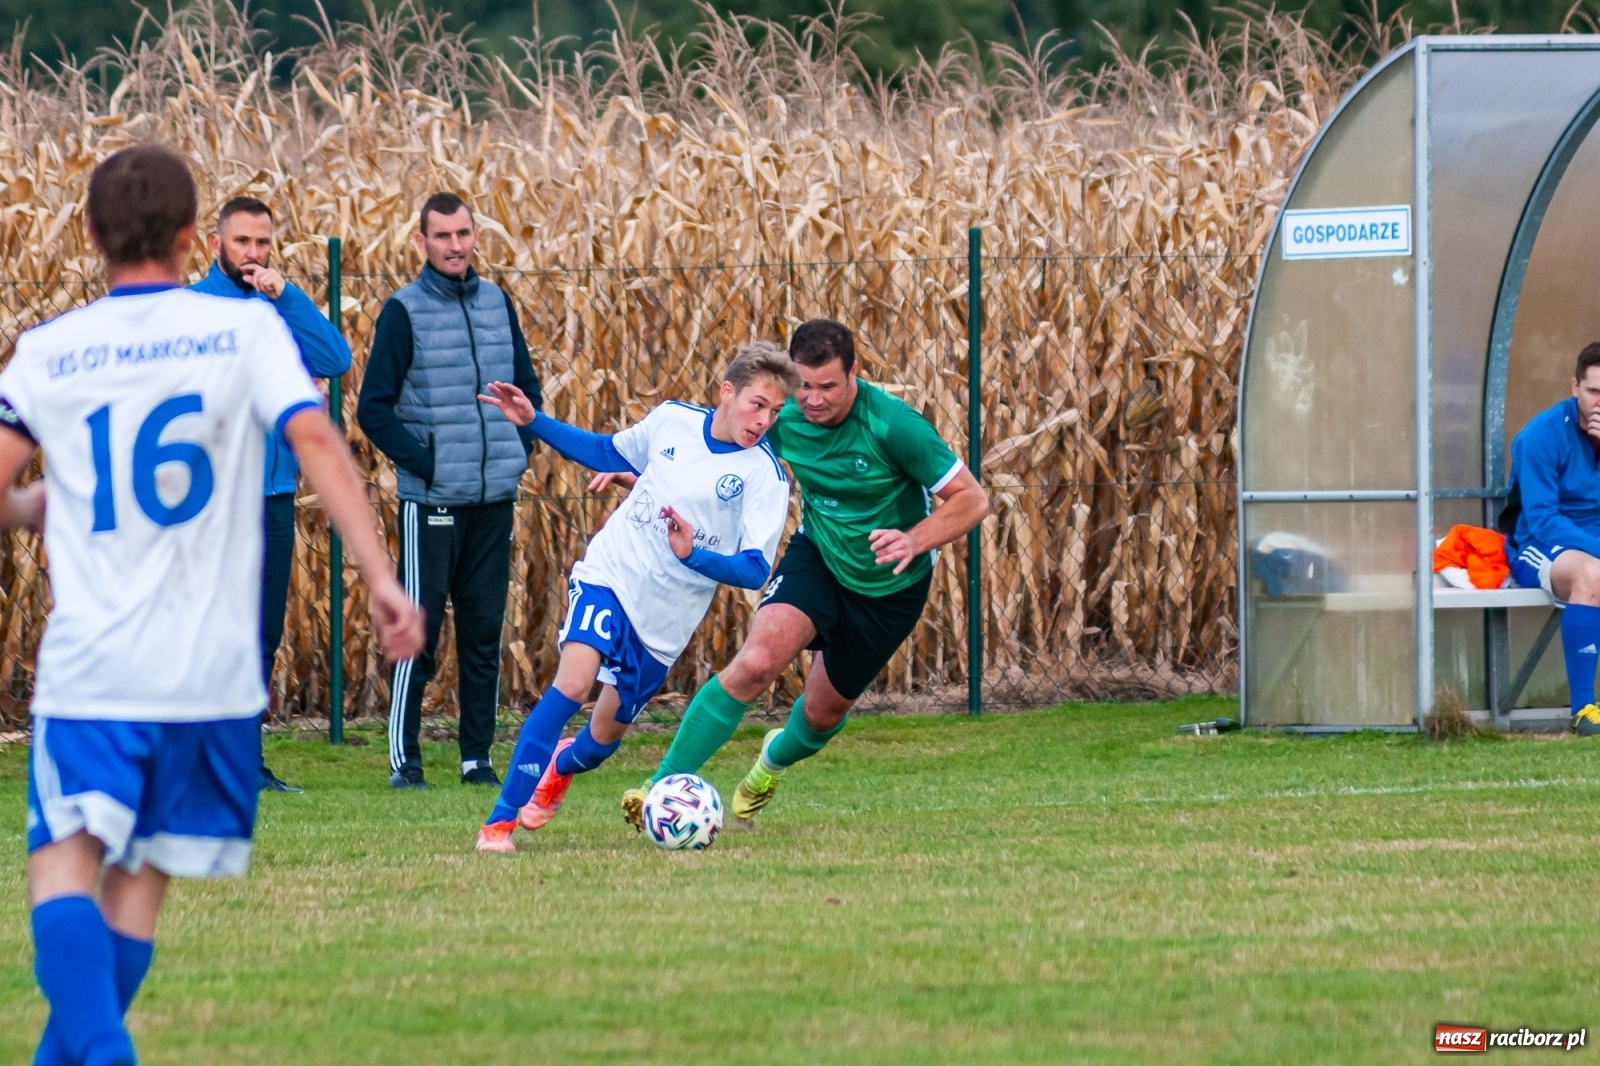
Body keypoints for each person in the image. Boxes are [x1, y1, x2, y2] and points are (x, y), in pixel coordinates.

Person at [5, 145, 423, 1066]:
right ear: (195, 238)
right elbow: (317, 438)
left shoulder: (50, 352)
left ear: (89, 233)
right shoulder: (241, 335)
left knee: (65, 868)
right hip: (211, 676)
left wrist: (32, 505)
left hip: (97, 667)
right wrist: (382, 578)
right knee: (136, 890)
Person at [622, 319, 990, 829]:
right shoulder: (783, 413)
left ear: (854, 372)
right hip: (817, 557)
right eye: (804, 386)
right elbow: (710, 448)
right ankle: (658, 788)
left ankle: (769, 765)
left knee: (821, 715)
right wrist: (641, 474)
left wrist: (913, 539)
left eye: (827, 387)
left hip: (890, 587)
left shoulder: (894, 426)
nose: (813, 400)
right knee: (756, 662)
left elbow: (973, 499)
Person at [471, 341, 798, 852]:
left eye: (775, 412)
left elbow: (755, 569)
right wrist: (534, 420)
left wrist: (693, 555)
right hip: (612, 574)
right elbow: (606, 452)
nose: (764, 420)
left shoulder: (766, 476)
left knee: (600, 744)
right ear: (727, 392)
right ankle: (499, 823)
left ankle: (560, 767)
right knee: (572, 685)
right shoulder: (673, 420)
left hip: (664, 622)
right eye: (757, 404)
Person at [357, 192, 544, 789]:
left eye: (463, 233)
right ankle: (405, 762)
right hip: (434, 500)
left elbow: (527, 386)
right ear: (422, 242)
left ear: (475, 236)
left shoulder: (496, 302)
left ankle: (476, 759)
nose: (455, 245)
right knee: (421, 633)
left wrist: (521, 447)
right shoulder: (403, 311)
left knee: (484, 632)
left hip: (493, 498)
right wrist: (426, 463)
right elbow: (372, 408)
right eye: (442, 236)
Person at [190, 195, 353, 794]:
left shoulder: (277, 308)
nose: (253, 253)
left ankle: (245, 764)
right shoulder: (192, 308)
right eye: (242, 242)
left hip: (273, 496)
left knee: (261, 634)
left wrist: (286, 295)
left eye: (262, 243)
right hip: (210, 502)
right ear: (216, 245)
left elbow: (335, 358)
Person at [1502, 341, 1600, 735]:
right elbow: (1543, 520)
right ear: (1575, 387)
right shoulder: (1539, 435)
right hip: (1539, 545)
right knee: (1592, 574)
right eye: (1593, 391)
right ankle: (1584, 708)